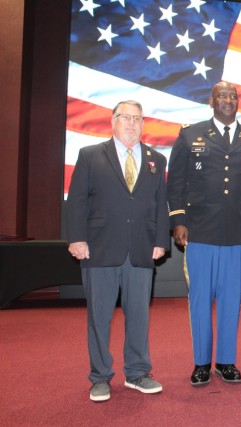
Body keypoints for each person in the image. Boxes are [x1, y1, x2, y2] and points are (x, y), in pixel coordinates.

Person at [167, 82, 241, 386]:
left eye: (233, 96)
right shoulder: (190, 134)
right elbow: (176, 183)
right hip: (199, 230)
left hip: (239, 232)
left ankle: (226, 361)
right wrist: (178, 220)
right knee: (200, 298)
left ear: (238, 102)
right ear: (211, 101)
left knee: (230, 299)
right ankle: (201, 362)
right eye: (222, 96)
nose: (228, 100)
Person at [66, 100, 169, 402]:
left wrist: (160, 240)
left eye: (137, 118)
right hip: (99, 249)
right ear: (112, 121)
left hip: (141, 249)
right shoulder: (90, 155)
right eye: (125, 117)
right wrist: (76, 238)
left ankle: (137, 373)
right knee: (99, 317)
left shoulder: (156, 159)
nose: (131, 123)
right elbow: (78, 202)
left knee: (139, 315)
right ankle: (99, 377)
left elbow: (160, 203)